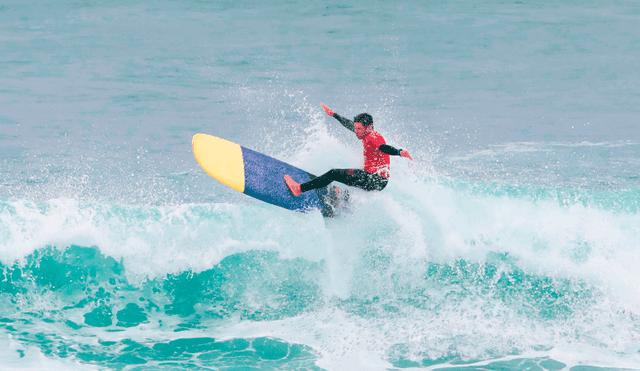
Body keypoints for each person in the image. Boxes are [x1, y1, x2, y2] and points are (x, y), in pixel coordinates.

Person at [284, 104, 412, 197]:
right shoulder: (366, 133)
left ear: (368, 127)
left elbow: (384, 147)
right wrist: (334, 115)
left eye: (359, 129)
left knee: (334, 173)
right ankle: (341, 198)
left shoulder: (373, 138)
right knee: (351, 175)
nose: (356, 132)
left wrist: (398, 152)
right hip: (376, 179)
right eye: (356, 128)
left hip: (374, 179)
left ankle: (299, 189)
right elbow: (349, 124)